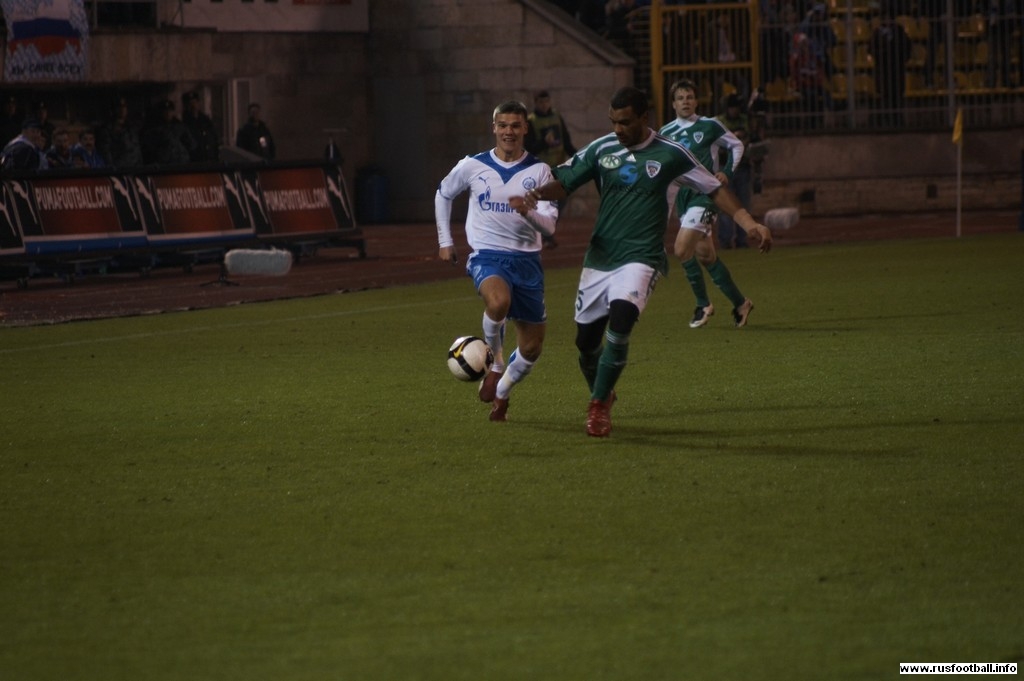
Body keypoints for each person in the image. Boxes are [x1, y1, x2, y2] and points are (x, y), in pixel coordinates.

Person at [518, 86, 772, 438]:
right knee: (586, 344)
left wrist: (748, 222)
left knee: (621, 320)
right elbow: (564, 182)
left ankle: (597, 406)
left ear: (644, 118)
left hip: (643, 256)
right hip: (600, 257)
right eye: (613, 122)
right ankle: (604, 391)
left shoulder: (671, 153)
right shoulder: (602, 148)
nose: (618, 129)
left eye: (625, 122)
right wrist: (535, 193)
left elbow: (713, 188)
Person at [434, 100, 559, 423]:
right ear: (494, 128)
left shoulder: (541, 172)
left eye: (515, 125)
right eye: (502, 125)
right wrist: (445, 241)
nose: (508, 131)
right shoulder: (472, 165)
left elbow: (549, 227)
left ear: (525, 128)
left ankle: (502, 392)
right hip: (487, 255)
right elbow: (444, 193)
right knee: (498, 301)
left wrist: (527, 212)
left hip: (527, 262)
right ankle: (497, 363)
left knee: (531, 349)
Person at [659, 81, 755, 333]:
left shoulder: (709, 125)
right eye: (680, 98)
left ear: (696, 101)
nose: (686, 101)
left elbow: (736, 145)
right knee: (706, 256)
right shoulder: (665, 132)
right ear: (673, 104)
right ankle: (741, 304)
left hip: (705, 195)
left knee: (681, 249)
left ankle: (703, 304)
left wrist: (726, 172)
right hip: (683, 198)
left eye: (690, 96)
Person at [715, 93, 753, 250]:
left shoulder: (744, 120)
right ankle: (725, 240)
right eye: (732, 107)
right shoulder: (719, 122)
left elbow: (751, 137)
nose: (735, 110)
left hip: (743, 166)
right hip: (724, 168)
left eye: (737, 107)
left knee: (743, 204)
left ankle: (742, 239)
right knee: (726, 205)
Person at [525, 90, 576, 169]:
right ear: (536, 103)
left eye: (546, 101)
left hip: (560, 164)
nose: (544, 104)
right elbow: (529, 149)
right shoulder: (531, 121)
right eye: (541, 102)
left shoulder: (556, 116)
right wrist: (544, 142)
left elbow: (566, 141)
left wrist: (576, 156)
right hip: (542, 166)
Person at [140, 98, 195, 166]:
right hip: (165, 164)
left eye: (170, 111)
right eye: (165, 111)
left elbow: (191, 144)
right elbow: (149, 149)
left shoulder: (180, 126)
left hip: (182, 163)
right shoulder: (154, 129)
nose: (168, 113)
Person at [97, 96, 143, 168]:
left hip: (135, 168)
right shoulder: (107, 130)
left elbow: (137, 150)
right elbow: (106, 153)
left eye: (124, 106)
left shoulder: (132, 128)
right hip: (120, 169)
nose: (122, 109)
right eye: (119, 106)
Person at [181, 90, 220, 163]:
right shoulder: (184, 124)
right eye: (190, 103)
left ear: (198, 103)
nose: (193, 106)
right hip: (194, 162)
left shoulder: (206, 121)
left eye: (195, 102)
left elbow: (213, 139)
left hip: (209, 160)